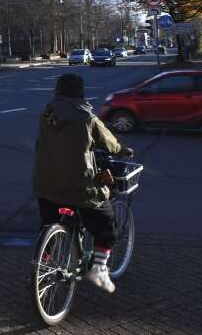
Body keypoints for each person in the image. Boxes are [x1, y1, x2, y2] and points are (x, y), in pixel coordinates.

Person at [32, 73, 133, 293]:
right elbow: (109, 143)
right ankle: (98, 269)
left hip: (45, 183)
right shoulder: (87, 119)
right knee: (107, 225)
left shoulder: (47, 113)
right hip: (80, 188)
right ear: (80, 92)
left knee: (48, 219)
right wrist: (124, 150)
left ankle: (44, 258)